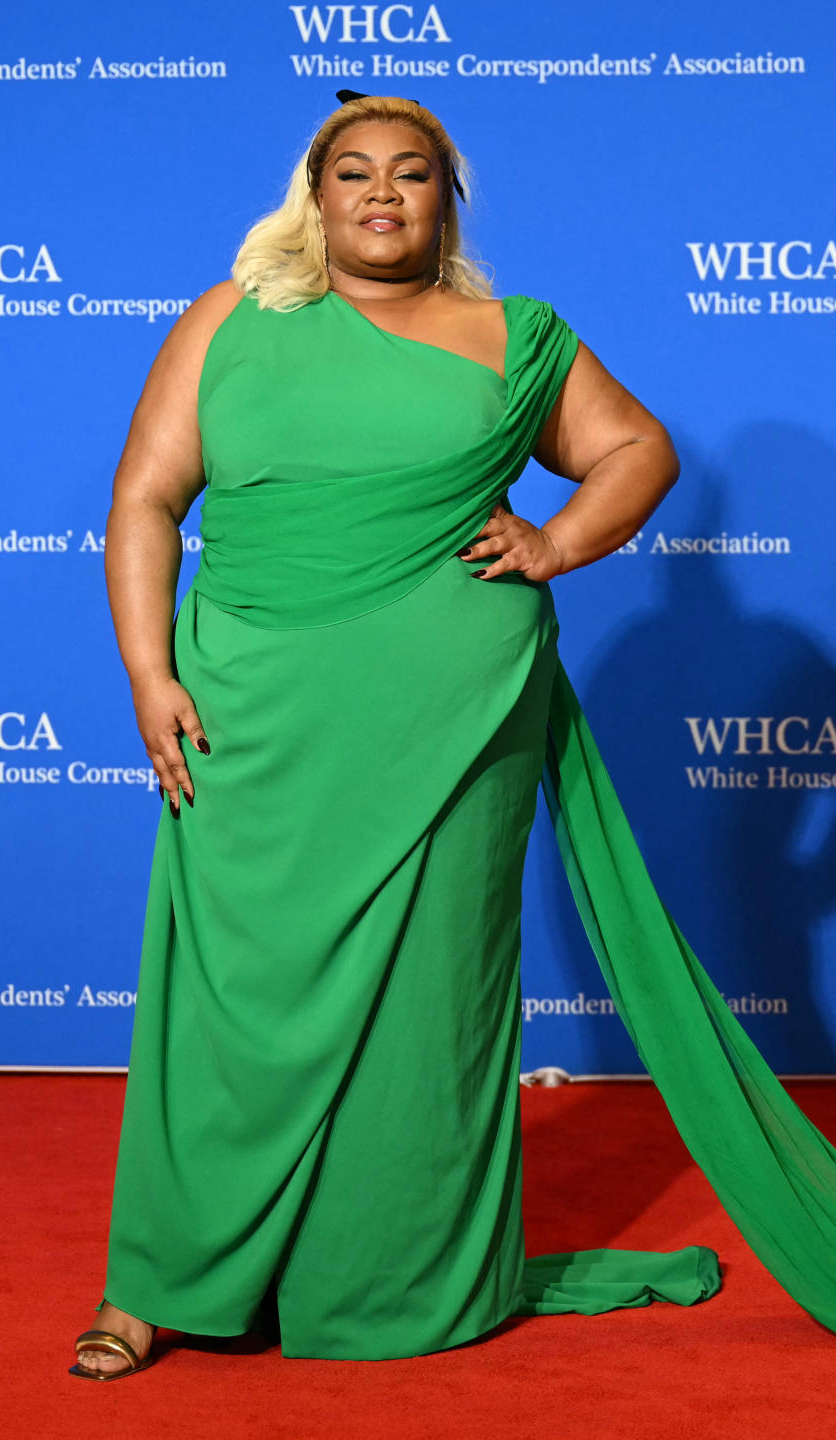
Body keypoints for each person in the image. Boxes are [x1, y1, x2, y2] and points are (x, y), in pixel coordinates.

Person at [70, 92, 836, 1378]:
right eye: (354, 173)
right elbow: (145, 498)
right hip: (248, 716)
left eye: (411, 175)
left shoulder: (512, 338)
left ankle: (396, 1278)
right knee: (224, 1011)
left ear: (447, 200)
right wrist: (149, 673)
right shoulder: (229, 322)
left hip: (458, 722)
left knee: (434, 1008)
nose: (382, 194)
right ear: (314, 198)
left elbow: (636, 451)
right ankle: (160, 1283)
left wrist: (558, 540)